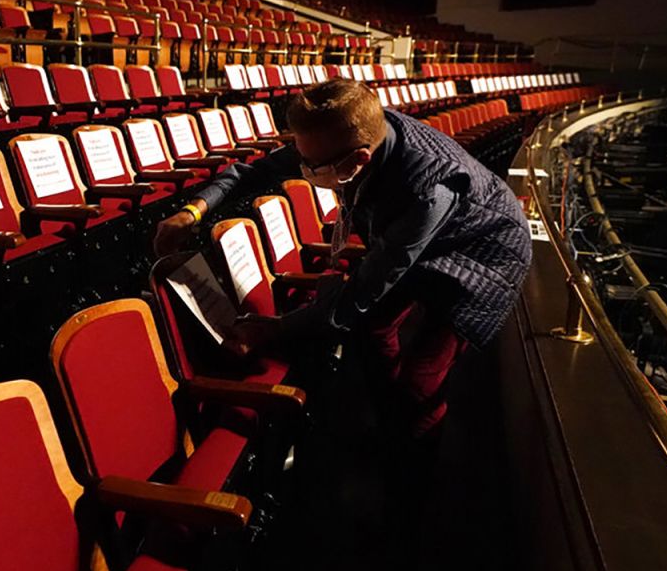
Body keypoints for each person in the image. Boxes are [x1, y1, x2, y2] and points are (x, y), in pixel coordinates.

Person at [155, 78, 533, 440]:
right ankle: (387, 410)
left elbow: (363, 293)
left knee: (422, 382)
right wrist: (194, 211)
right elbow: (254, 170)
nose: (303, 171)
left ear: (357, 160)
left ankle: (413, 465)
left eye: (312, 167)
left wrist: (275, 328)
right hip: (422, 236)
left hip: (484, 257)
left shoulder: (427, 192)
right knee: (374, 329)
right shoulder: (341, 134)